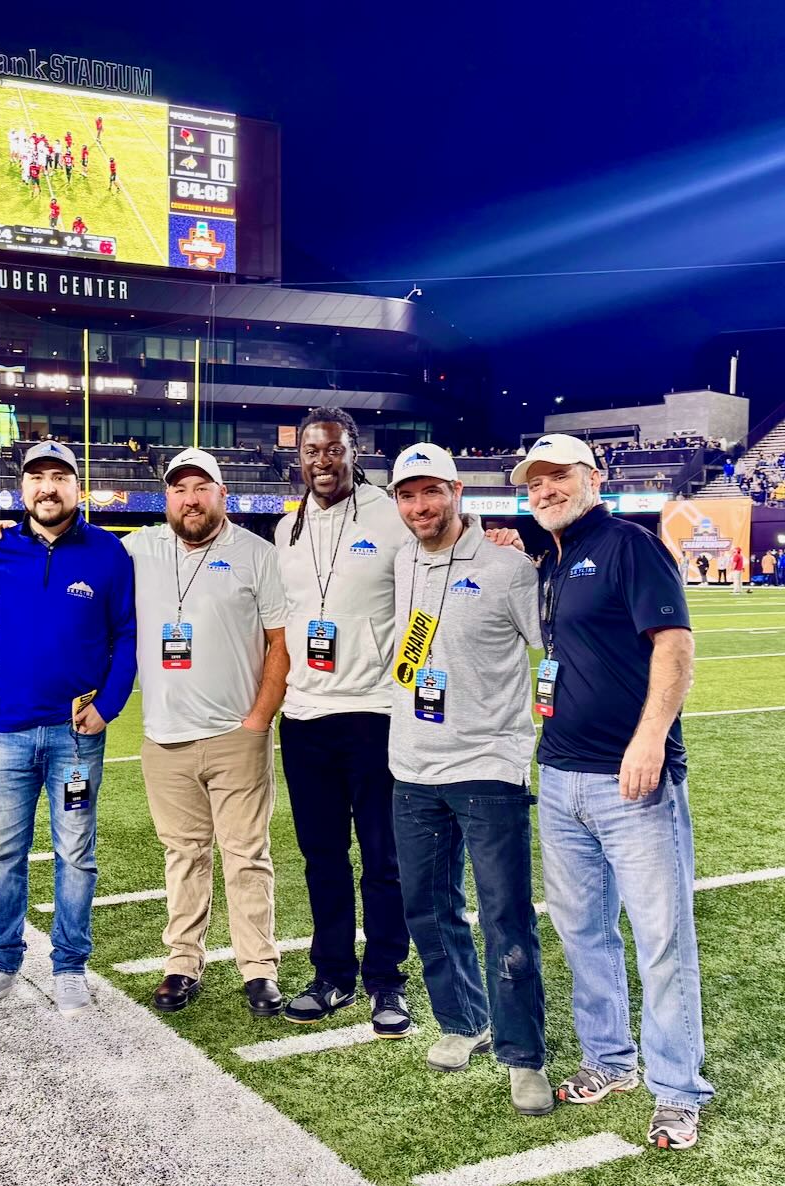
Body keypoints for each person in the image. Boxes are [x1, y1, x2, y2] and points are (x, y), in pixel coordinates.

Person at [511, 434, 712, 1151]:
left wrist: (651, 738)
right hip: (562, 776)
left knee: (662, 940)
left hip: (632, 782)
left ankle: (678, 1090)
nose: (545, 490)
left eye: (558, 476)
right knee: (582, 934)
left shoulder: (630, 545)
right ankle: (609, 1060)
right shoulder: (552, 561)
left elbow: (674, 644)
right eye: (534, 482)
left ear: (593, 478)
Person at [386, 443, 553, 1116]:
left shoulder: (507, 567)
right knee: (429, 909)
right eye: (407, 495)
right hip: (412, 765)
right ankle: (464, 1021)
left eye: (431, 491)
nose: (420, 506)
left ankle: (524, 1055)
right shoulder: (401, 560)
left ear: (457, 492)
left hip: (488, 767)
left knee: (506, 915)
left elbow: (551, 649)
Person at [0, 441, 136, 1018]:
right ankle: (1, 962)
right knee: (3, 853)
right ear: (22, 488)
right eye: (37, 477)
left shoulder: (108, 552)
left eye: (60, 476)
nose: (48, 487)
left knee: (75, 854)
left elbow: (127, 635)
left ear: (77, 487)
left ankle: (70, 966)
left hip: (76, 734)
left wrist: (108, 706)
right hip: (9, 730)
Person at [124, 448, 289, 1017]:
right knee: (183, 855)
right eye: (179, 489)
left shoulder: (256, 554)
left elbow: (280, 641)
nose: (190, 500)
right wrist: (7, 529)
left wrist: (259, 719)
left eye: (201, 488)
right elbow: (75, 549)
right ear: (166, 497)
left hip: (235, 735)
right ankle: (183, 962)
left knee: (246, 855)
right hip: (164, 736)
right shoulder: (139, 548)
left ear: (223, 494)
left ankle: (259, 967)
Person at [272, 407, 413, 1035]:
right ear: (299, 458)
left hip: (374, 712)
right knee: (322, 856)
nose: (322, 461)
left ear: (354, 452)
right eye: (311, 451)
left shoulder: (390, 514)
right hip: (304, 716)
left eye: (333, 449)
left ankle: (387, 980)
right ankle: (332, 974)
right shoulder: (288, 527)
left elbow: (434, 574)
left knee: (383, 858)